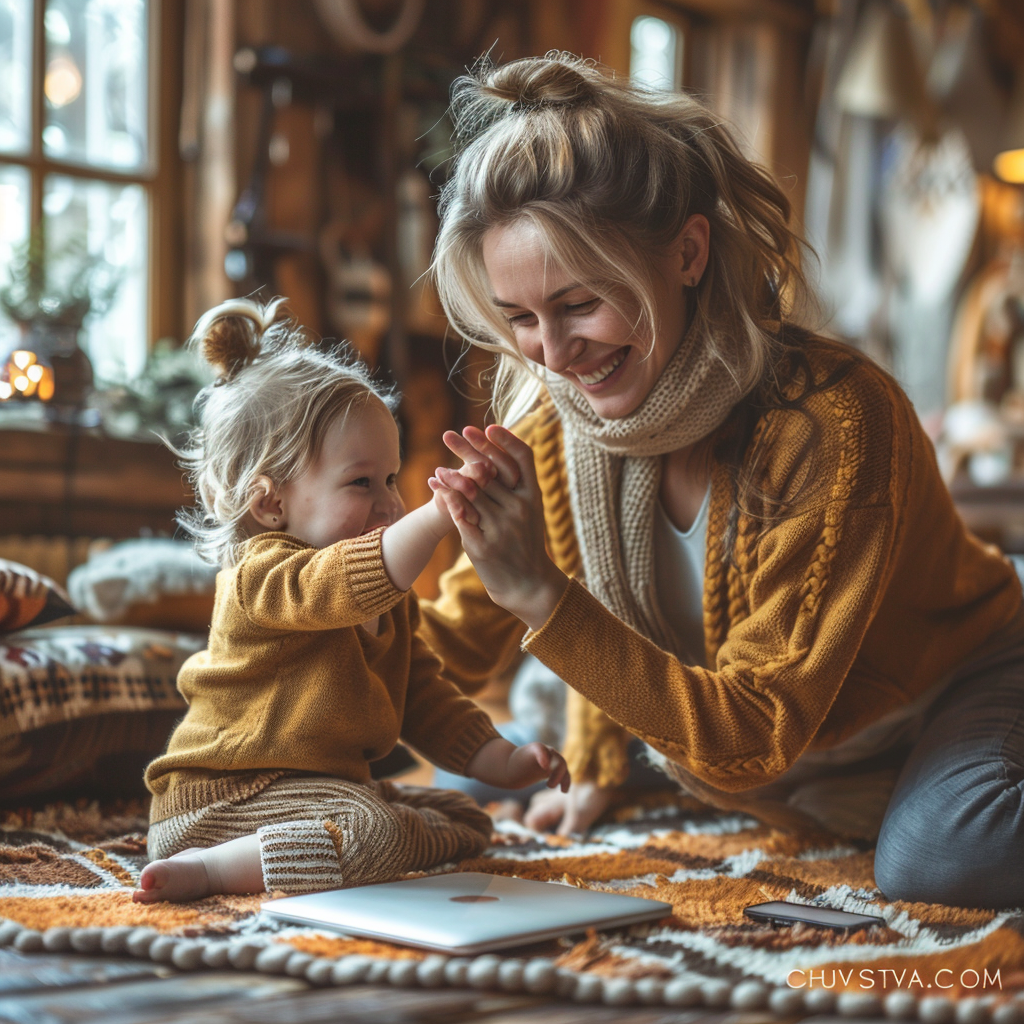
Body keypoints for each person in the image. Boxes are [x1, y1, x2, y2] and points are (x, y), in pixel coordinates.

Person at [416, 52, 1024, 909]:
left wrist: (547, 601)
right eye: (520, 318)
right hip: (776, 742)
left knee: (938, 858)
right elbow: (453, 641)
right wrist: (307, 664)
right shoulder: (557, 421)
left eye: (581, 302)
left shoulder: (833, 423)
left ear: (689, 253)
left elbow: (755, 732)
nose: (553, 355)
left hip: (955, 683)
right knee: (472, 774)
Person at [135, 297, 569, 904]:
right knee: (376, 831)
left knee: (468, 819)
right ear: (270, 504)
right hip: (227, 796)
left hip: (322, 790)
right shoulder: (261, 576)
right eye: (362, 482)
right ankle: (210, 869)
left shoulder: (387, 603)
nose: (391, 503)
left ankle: (324, 843)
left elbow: (424, 695)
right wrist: (437, 514)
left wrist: (500, 759)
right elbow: (333, 586)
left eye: (392, 479)